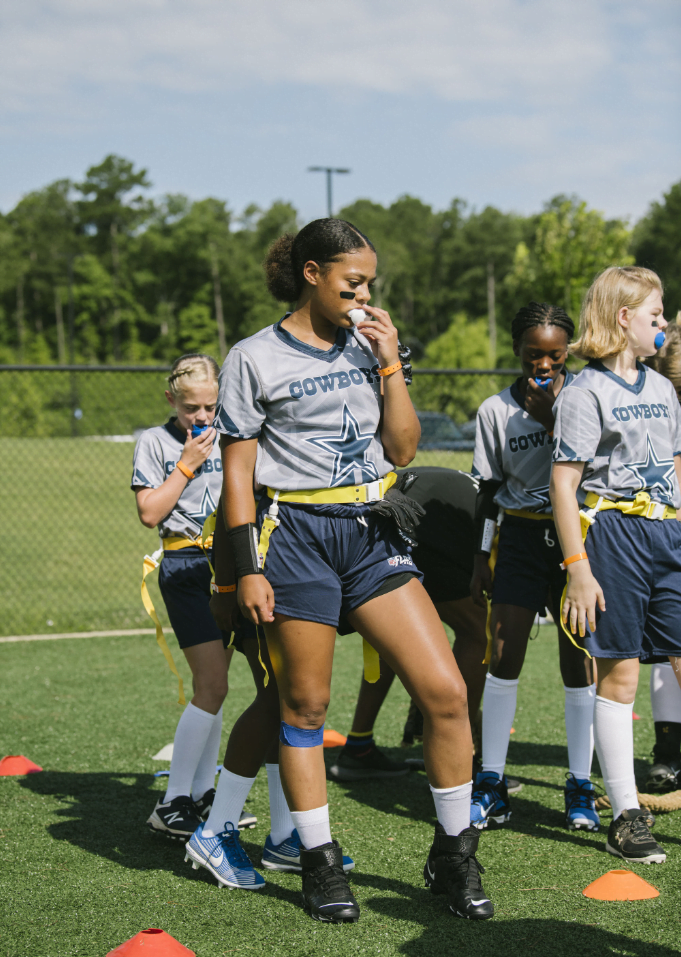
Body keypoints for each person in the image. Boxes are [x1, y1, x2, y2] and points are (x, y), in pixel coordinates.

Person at [187, 219, 494, 924]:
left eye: (369, 284)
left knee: (444, 689)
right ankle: (318, 860)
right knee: (305, 707)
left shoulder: (372, 345)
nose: (363, 295)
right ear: (312, 273)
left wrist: (388, 363)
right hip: (293, 535)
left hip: (370, 528)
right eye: (352, 281)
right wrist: (245, 571)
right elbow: (238, 478)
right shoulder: (253, 357)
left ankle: (453, 850)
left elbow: (404, 448)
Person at [551, 266, 681, 864]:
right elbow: (564, 483)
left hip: (669, 532)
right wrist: (578, 565)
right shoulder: (584, 391)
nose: (663, 322)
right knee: (621, 675)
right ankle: (627, 813)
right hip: (615, 535)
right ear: (622, 317)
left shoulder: (663, 388)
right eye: (654, 313)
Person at [470, 302, 597, 832]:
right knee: (504, 651)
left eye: (553, 354)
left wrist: (552, 418)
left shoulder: (587, 398)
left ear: (568, 351)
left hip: (579, 540)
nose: (543, 365)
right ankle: (492, 782)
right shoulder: (495, 410)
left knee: (578, 657)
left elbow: (596, 473)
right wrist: (479, 555)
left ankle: (580, 786)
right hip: (520, 534)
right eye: (532, 354)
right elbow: (487, 490)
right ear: (518, 350)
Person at [131, 354, 242, 840]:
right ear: (171, 399)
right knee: (212, 686)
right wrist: (186, 465)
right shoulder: (155, 441)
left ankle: (200, 793)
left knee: (215, 690)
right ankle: (173, 802)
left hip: (228, 569)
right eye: (191, 407)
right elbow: (150, 513)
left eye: (210, 407)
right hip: (183, 567)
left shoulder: (231, 433)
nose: (201, 417)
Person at [329, 467, 489, 781]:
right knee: (478, 630)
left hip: (377, 509)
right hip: (407, 518)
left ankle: (359, 745)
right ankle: (459, 753)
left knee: (394, 632)